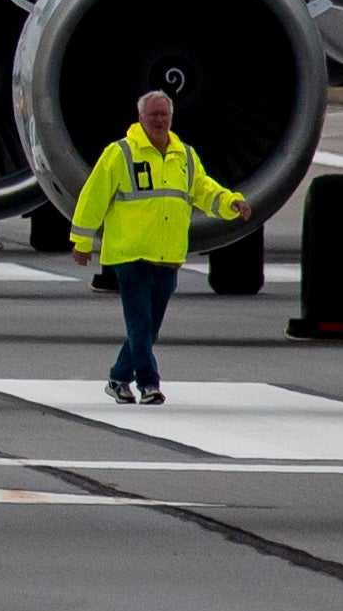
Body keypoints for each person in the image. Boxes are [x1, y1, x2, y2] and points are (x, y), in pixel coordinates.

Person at [69, 87, 247, 405]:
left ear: (172, 118)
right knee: (141, 323)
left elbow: (203, 190)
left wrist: (230, 202)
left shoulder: (184, 156)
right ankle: (149, 384)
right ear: (140, 118)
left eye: (164, 114)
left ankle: (118, 377)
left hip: (167, 254)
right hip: (130, 253)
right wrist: (82, 242)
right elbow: (92, 197)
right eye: (153, 115)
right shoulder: (121, 154)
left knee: (149, 330)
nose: (159, 120)